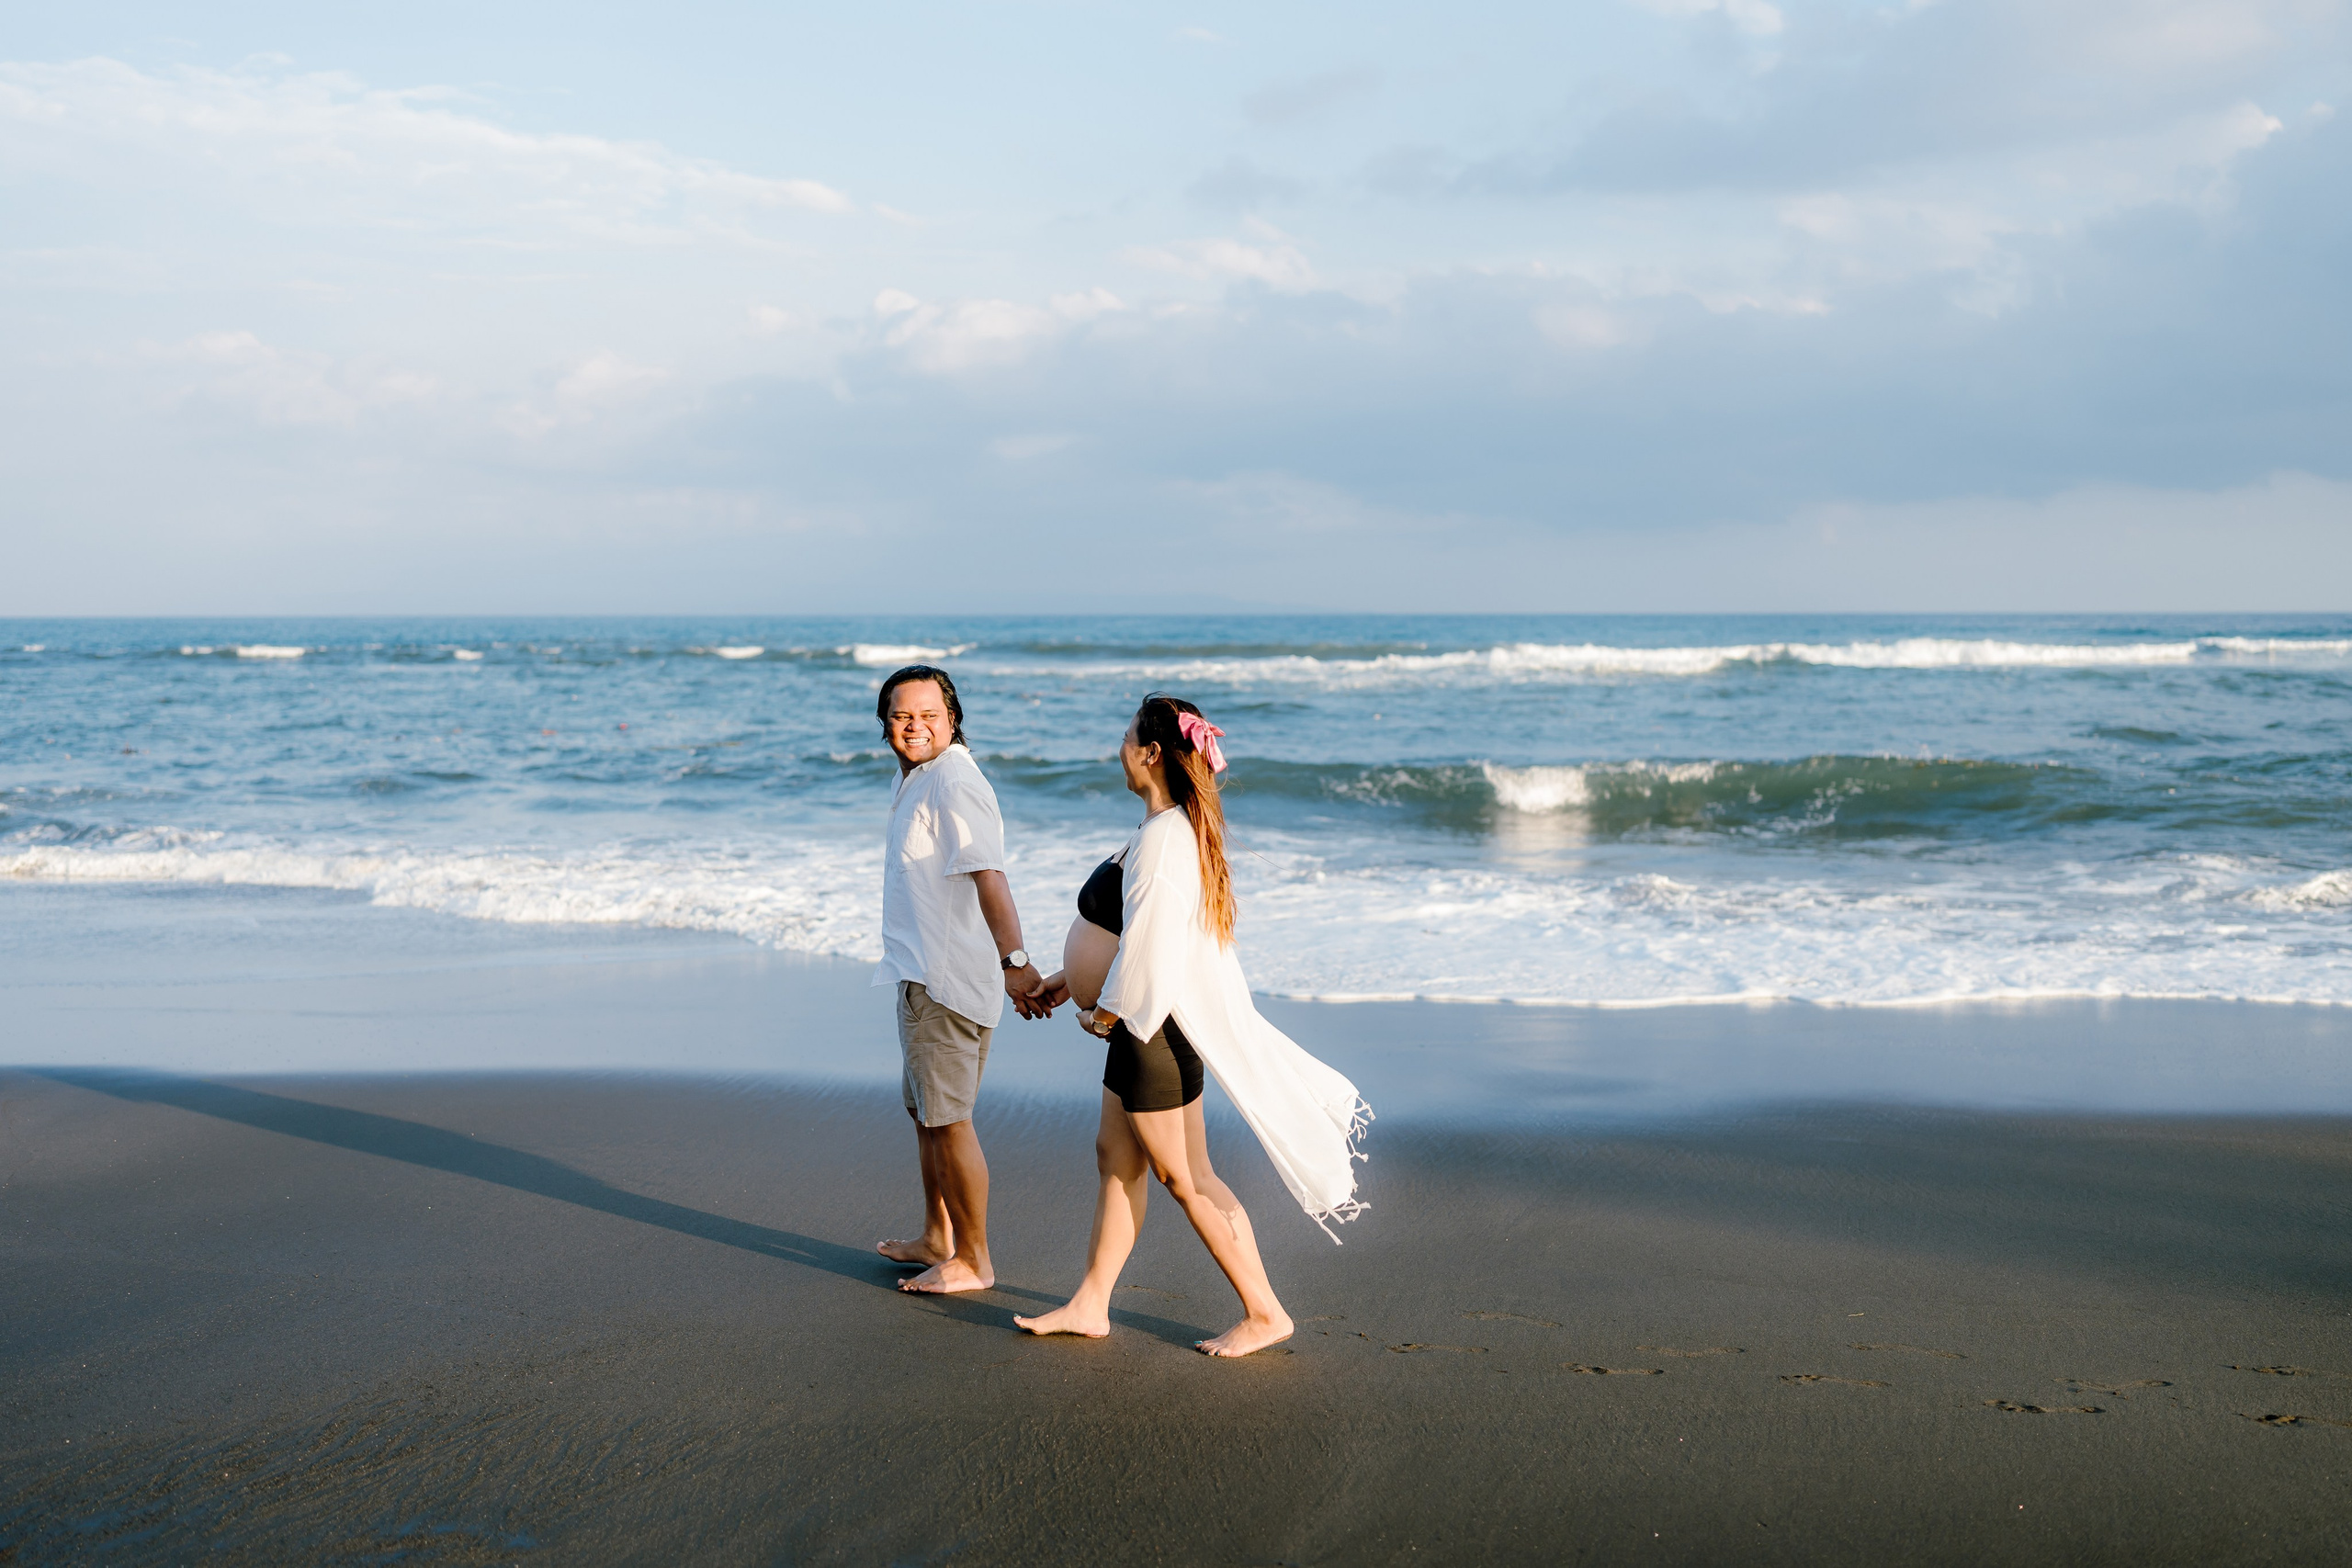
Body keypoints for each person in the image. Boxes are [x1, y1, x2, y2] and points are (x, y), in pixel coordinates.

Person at [1015, 694, 1371, 1357]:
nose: (1118, 745)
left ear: (1151, 752)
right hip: (1144, 1026)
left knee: (1186, 1176)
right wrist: (1073, 979)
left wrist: (1109, 1008)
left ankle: (1265, 1311)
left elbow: (1153, 942)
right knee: (1117, 1158)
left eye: (1126, 736)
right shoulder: (1163, 828)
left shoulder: (1165, 838)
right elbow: (1136, 928)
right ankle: (1091, 1302)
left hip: (1151, 1031)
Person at [870, 663, 1050, 1295]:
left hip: (945, 985)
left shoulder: (952, 779)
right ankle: (937, 1235)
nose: (914, 726)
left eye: (928, 715)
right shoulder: (921, 777)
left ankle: (974, 1259)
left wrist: (1017, 962)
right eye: (901, 715)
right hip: (919, 975)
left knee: (950, 1120)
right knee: (926, 1114)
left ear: (953, 720)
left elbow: (989, 875)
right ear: (885, 723)